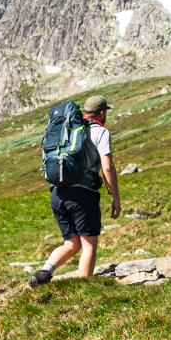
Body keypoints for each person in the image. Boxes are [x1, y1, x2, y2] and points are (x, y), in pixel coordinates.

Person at [30, 94, 120, 285]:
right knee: (89, 245)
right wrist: (115, 197)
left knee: (71, 243)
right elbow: (108, 168)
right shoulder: (100, 132)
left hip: (58, 193)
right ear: (102, 113)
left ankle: (44, 273)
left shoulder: (68, 130)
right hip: (82, 196)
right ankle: (83, 290)